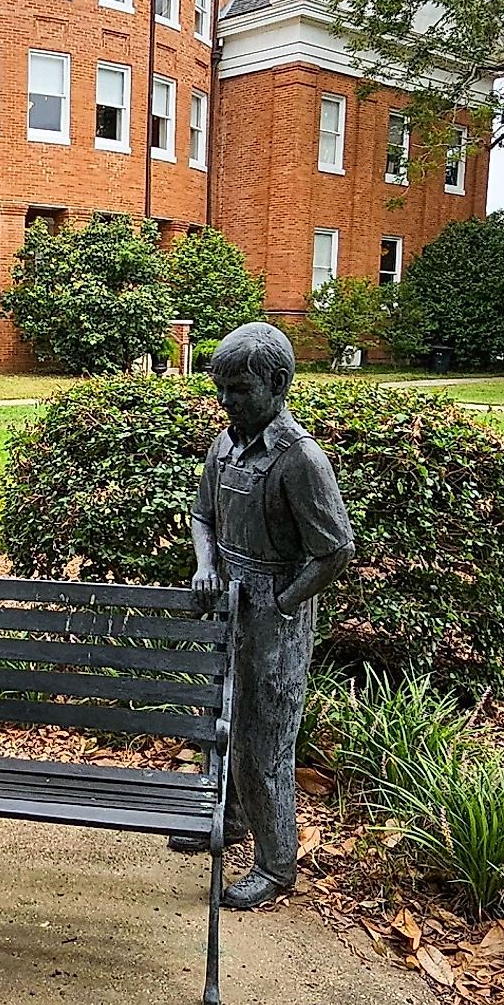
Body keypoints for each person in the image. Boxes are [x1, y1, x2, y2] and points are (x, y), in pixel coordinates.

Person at [171, 322, 354, 910]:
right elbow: (203, 517)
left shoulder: (300, 459)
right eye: (220, 389)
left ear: (277, 384)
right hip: (227, 607)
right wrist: (206, 566)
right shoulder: (223, 446)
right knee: (224, 721)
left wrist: (281, 603)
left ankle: (276, 867)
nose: (226, 402)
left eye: (240, 390)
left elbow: (336, 551)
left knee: (266, 740)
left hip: (275, 616)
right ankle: (227, 819)